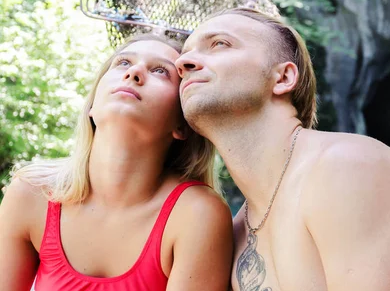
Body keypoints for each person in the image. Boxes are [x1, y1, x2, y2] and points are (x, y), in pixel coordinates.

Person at [176, 7, 390, 291]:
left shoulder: (349, 166)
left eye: (219, 44)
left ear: (283, 78)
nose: (185, 63)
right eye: (185, 54)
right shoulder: (237, 229)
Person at [0, 34, 233, 291]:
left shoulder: (197, 214)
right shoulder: (32, 192)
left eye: (160, 71)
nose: (134, 72)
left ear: (182, 124)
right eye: (123, 63)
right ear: (92, 105)